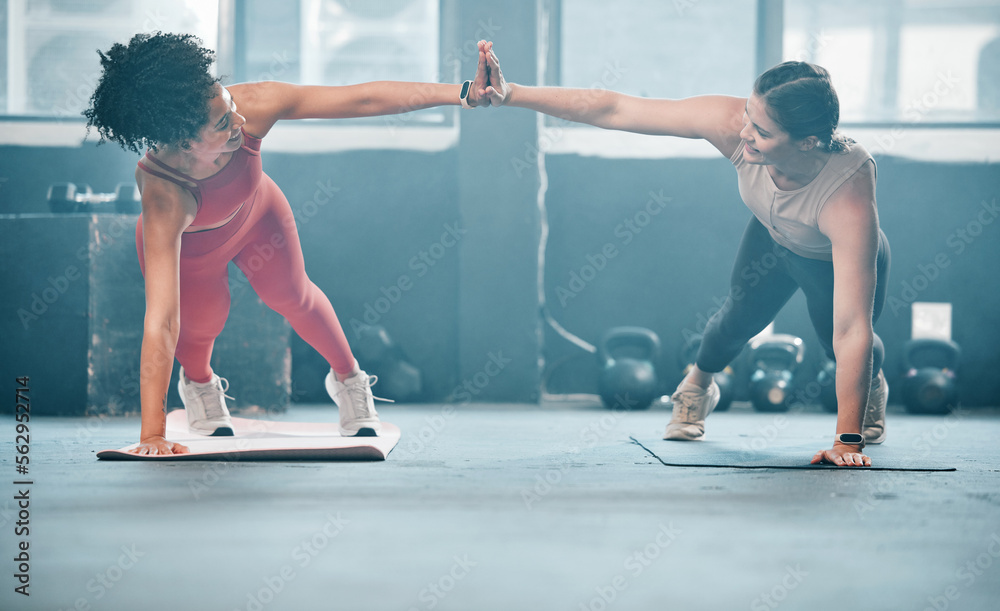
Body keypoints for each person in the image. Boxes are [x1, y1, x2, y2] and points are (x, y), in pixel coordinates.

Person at [476, 41, 889, 467]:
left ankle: (871, 386)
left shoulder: (848, 195)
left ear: (808, 142)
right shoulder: (735, 125)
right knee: (732, 323)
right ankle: (697, 386)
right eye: (750, 114)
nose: (746, 132)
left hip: (825, 259)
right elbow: (614, 108)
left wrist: (847, 442)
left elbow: (851, 329)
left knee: (840, 344)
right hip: (772, 235)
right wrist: (513, 94)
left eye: (763, 132)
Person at [84, 32, 490, 455]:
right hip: (197, 252)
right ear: (185, 143)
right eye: (223, 123)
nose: (238, 121)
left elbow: (360, 99)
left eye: (229, 105)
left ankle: (350, 380)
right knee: (203, 323)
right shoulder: (165, 195)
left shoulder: (252, 105)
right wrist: (153, 434)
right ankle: (200, 384)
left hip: (257, 211)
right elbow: (162, 320)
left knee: (294, 295)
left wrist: (462, 93)